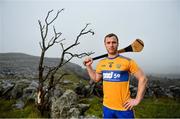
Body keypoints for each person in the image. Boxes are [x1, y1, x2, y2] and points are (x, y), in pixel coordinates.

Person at [83, 33, 148, 118]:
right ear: (105, 45)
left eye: (114, 42)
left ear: (118, 43)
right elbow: (95, 78)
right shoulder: (101, 63)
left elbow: (143, 78)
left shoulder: (128, 61)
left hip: (124, 108)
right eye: (108, 43)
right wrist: (89, 67)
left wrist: (137, 100)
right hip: (107, 107)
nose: (111, 45)